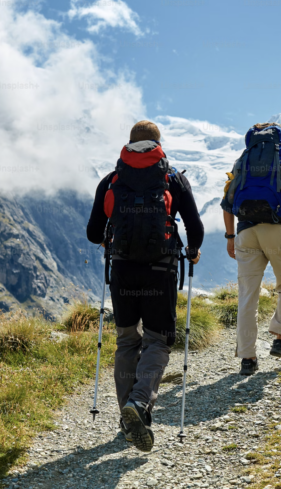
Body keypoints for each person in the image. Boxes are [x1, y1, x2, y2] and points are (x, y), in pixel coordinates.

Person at [87, 120, 203, 452]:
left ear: (129, 144)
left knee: (127, 340)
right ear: (158, 144)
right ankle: (139, 403)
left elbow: (94, 233)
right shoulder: (173, 180)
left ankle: (128, 415)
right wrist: (192, 251)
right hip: (160, 270)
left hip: (122, 270)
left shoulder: (112, 181)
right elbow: (194, 226)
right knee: (157, 341)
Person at [221, 123, 281, 376]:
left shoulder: (243, 161)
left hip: (244, 232)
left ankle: (247, 358)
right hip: (275, 230)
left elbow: (227, 201)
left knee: (247, 296)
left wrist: (230, 236)